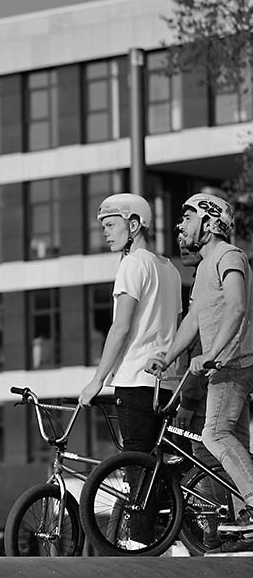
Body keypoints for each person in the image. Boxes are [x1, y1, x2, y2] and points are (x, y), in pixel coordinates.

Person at [146, 192, 253, 554]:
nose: (181, 225)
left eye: (188, 218)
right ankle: (243, 523)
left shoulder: (229, 256)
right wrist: (167, 355)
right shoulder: (205, 266)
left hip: (234, 364)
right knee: (234, 443)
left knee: (214, 434)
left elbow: (237, 306)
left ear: (209, 223)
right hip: (222, 366)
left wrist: (212, 353)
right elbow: (193, 320)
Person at [78, 193, 182, 451]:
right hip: (165, 383)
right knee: (159, 470)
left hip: (135, 381)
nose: (105, 233)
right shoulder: (171, 269)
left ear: (134, 225)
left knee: (136, 465)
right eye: (103, 227)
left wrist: (97, 381)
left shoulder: (133, 264)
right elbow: (177, 328)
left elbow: (120, 327)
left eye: (111, 225)